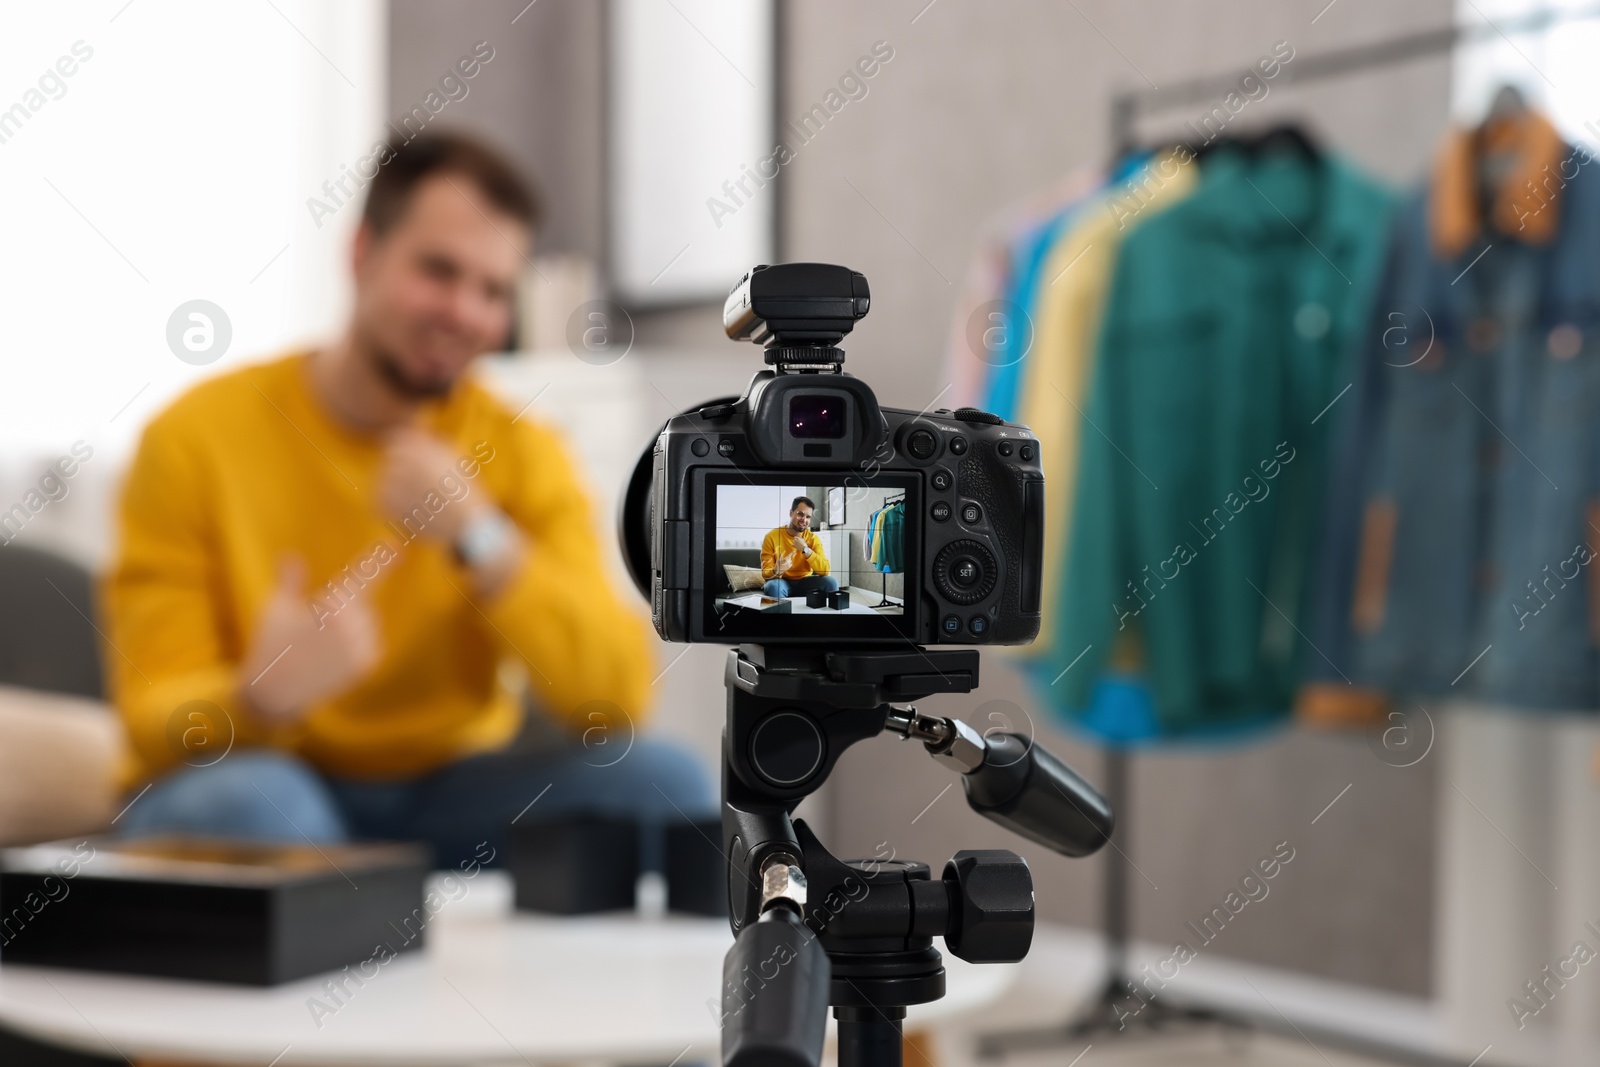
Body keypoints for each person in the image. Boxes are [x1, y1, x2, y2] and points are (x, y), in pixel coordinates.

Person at [104, 132, 712, 870]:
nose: (464, 312)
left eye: (493, 290)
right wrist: (260, 697)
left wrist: (480, 536)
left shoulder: (522, 451)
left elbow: (615, 703)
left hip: (451, 796)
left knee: (670, 784)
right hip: (267, 773)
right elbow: (148, 721)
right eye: (438, 270)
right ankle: (353, 922)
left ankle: (361, 911)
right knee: (251, 807)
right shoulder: (193, 438)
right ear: (362, 254)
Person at [760, 496, 838, 600]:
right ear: (791, 513)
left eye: (808, 517)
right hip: (782, 581)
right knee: (773, 587)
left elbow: (825, 571)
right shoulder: (771, 536)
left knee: (831, 583)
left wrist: (806, 550)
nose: (804, 520)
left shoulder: (813, 538)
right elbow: (765, 573)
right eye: (800, 514)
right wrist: (776, 570)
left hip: (805, 582)